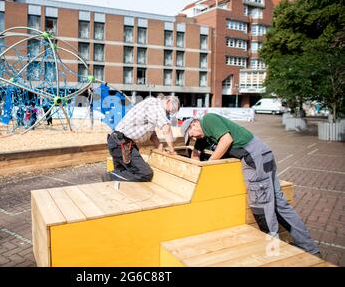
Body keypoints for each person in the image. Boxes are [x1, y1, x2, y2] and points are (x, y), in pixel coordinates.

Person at [180, 113, 320, 256]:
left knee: (262, 208)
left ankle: (273, 254)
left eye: (191, 135)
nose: (193, 139)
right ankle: (310, 248)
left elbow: (226, 140)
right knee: (280, 205)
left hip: (254, 159)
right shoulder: (204, 136)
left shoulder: (209, 120)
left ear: (194, 124)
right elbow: (196, 153)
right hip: (264, 156)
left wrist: (208, 165)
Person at [102, 95, 180, 182]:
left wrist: (159, 145)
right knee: (145, 173)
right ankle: (110, 176)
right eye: (168, 112)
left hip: (118, 142)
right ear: (168, 101)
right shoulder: (156, 106)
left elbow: (151, 133)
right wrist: (172, 150)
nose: (167, 114)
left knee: (123, 174)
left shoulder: (152, 106)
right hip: (122, 144)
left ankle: (112, 178)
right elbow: (167, 128)